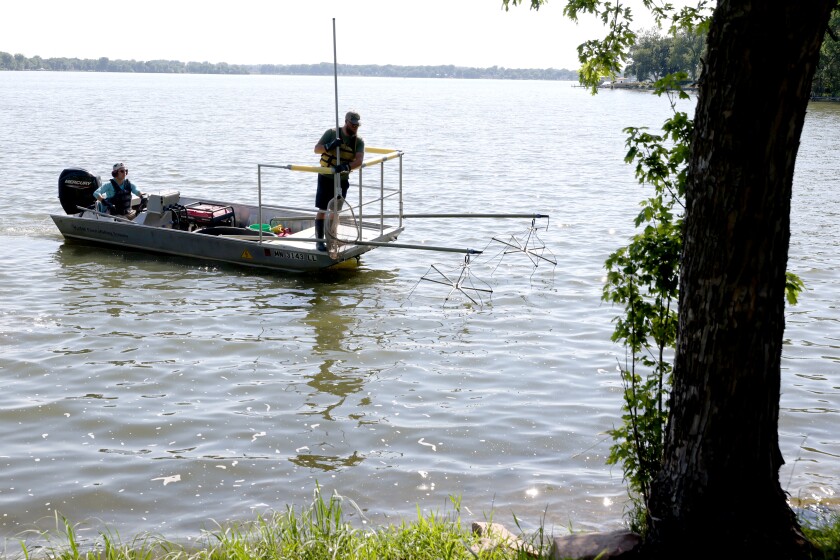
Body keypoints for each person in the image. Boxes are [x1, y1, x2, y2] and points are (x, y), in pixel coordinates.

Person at [313, 110, 365, 251]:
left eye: (357, 125)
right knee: (322, 209)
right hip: (325, 177)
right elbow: (316, 149)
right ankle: (319, 241)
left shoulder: (358, 141)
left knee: (335, 211)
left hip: (341, 180)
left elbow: (359, 160)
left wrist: (345, 167)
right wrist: (329, 145)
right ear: (346, 122)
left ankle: (331, 238)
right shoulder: (331, 133)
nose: (355, 127)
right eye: (352, 124)